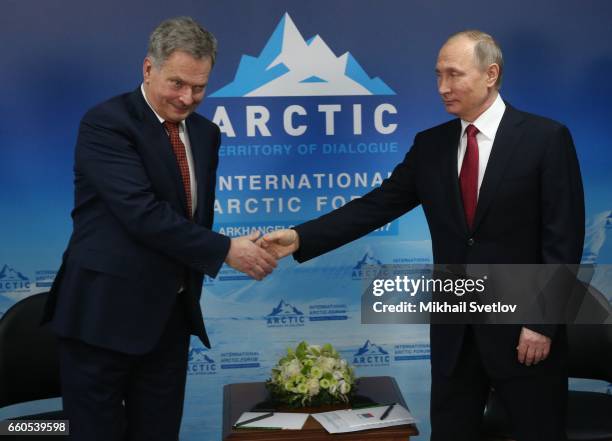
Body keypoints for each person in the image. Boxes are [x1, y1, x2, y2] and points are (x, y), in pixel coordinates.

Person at [261, 30, 584, 441]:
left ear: (491, 74)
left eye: (453, 75)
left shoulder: (546, 139)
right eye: (437, 75)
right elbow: (375, 206)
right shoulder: (431, 145)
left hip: (524, 334)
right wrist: (299, 238)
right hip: (455, 335)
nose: (442, 87)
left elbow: (564, 238)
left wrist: (541, 322)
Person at [42, 17, 276, 441]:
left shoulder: (206, 134)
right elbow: (141, 213)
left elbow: (190, 219)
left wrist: (234, 247)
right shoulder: (107, 123)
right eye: (177, 83)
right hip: (102, 319)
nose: (187, 98)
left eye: (200, 87)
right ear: (148, 69)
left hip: (169, 319)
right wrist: (226, 250)